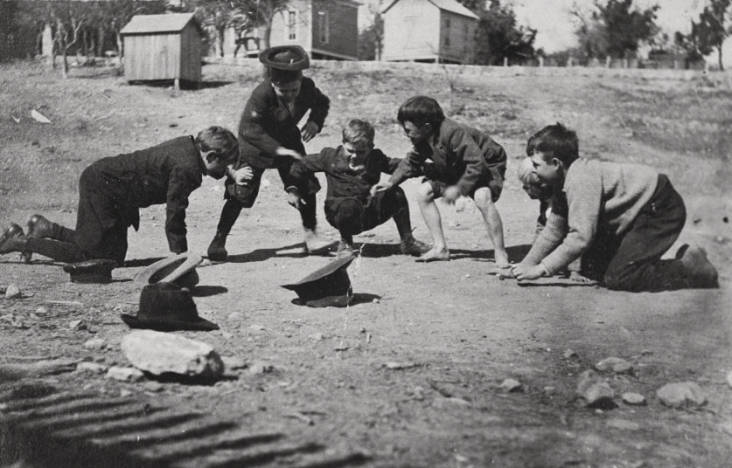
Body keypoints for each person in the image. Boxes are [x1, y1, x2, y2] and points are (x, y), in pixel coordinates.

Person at [512, 123, 718, 291]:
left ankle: (689, 267)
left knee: (620, 278)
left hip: (660, 208)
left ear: (556, 163)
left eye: (537, 165)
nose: (535, 172)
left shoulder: (581, 179)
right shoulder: (562, 182)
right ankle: (643, 260)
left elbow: (580, 237)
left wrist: (540, 270)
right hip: (641, 211)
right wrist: (525, 265)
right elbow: (553, 230)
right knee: (592, 269)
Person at [0, 127, 239, 266]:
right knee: (91, 257)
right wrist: (181, 257)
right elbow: (175, 211)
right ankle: (20, 241)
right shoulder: (187, 167)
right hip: (102, 187)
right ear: (211, 156)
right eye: (224, 164)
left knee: (111, 256)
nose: (224, 170)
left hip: (115, 191)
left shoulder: (188, 148)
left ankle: (45, 227)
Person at [207, 45, 332, 261]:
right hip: (255, 147)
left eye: (295, 90)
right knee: (240, 192)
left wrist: (315, 121)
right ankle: (219, 240)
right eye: (284, 91)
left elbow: (322, 103)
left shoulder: (308, 87)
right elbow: (249, 130)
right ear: (274, 84)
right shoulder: (261, 94)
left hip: (288, 142)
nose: (291, 95)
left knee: (305, 185)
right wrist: (278, 150)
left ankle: (311, 236)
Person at [371, 96, 509, 264]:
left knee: (482, 197)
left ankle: (500, 252)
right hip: (454, 165)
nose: (405, 134)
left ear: (427, 127)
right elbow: (411, 161)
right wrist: (391, 182)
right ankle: (440, 248)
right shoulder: (423, 137)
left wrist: (459, 189)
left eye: (408, 130)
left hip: (486, 165)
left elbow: (476, 163)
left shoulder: (453, 133)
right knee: (424, 193)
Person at [292, 119, 428, 257]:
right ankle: (346, 243)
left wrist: (429, 168)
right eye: (350, 151)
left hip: (366, 213)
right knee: (348, 205)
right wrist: (295, 189)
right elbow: (298, 166)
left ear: (371, 147)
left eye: (361, 152)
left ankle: (408, 241)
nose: (355, 156)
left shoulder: (375, 158)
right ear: (343, 143)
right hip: (338, 213)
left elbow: (398, 166)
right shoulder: (330, 157)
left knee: (396, 193)